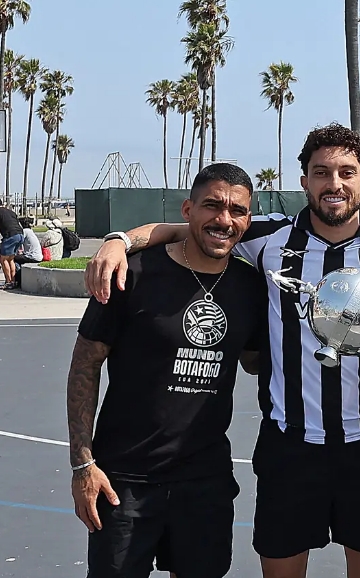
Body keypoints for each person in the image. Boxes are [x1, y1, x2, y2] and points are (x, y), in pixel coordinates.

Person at [83, 124, 360, 578]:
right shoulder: (267, 238)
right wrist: (119, 241)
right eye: (321, 172)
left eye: (347, 173)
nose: (335, 184)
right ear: (304, 180)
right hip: (290, 446)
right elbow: (183, 228)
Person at [65, 163, 266, 578]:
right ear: (188, 209)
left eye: (237, 211)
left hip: (204, 480)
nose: (223, 220)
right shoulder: (132, 273)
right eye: (212, 205)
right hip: (124, 482)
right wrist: (83, 464)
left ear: (248, 218)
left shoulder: (251, 286)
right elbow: (85, 365)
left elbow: (254, 361)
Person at [0, 200, 24, 288]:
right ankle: (13, 281)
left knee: (3, 259)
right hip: (20, 235)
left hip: (10, 236)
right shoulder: (11, 212)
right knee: (10, 259)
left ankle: (9, 282)